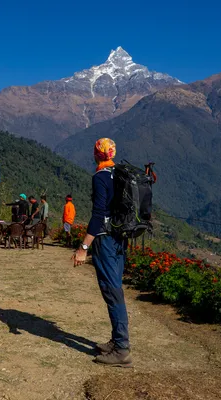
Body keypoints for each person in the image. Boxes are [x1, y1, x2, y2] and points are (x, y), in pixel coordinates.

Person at [72, 138, 132, 367]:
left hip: (106, 240)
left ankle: (122, 350)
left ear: (97, 154)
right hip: (120, 239)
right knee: (115, 289)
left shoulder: (100, 177)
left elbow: (98, 216)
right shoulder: (120, 174)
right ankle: (118, 341)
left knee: (112, 291)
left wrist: (83, 248)